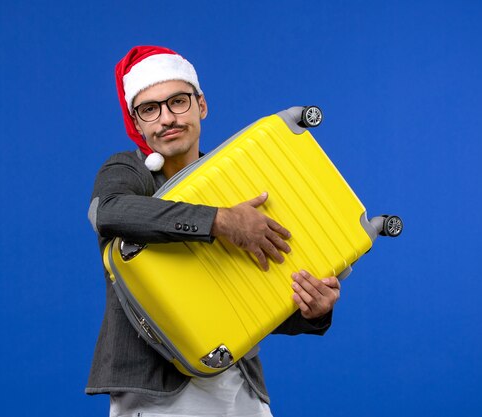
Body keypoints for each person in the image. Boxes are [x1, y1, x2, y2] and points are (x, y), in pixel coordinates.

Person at [87, 45, 341, 417]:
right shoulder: (128, 170)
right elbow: (107, 212)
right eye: (150, 109)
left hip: (241, 389)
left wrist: (313, 312)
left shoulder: (235, 183)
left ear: (201, 105)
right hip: (155, 392)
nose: (166, 119)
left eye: (177, 102)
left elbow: (253, 293)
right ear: (137, 124)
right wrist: (220, 222)